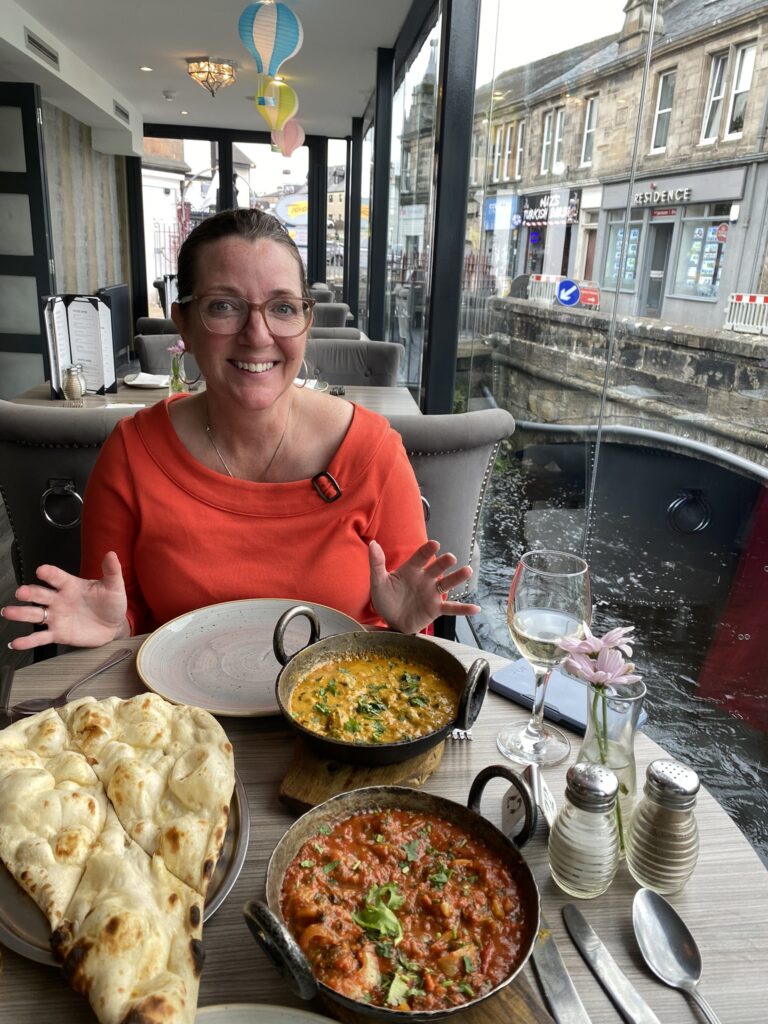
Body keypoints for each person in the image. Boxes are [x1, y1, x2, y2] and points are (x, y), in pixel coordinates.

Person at [3, 209, 479, 652]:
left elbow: (408, 636)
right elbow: (118, 619)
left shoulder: (374, 452)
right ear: (183, 324)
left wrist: (406, 626)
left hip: (342, 724)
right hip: (182, 728)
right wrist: (114, 628)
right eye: (224, 306)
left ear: (306, 322)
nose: (257, 334)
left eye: (283, 308)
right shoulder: (132, 454)